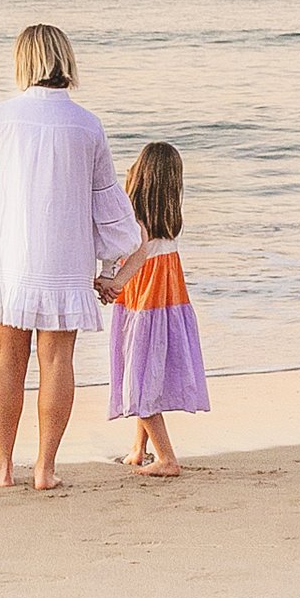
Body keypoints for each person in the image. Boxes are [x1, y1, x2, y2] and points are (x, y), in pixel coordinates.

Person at [0, 23, 139, 491]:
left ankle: (3, 468)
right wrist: (111, 269)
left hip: (7, 256)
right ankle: (45, 470)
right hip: (65, 259)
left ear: (24, 62)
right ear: (65, 61)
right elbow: (107, 205)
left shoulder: (0, 116)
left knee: (6, 360)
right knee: (57, 362)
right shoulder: (87, 124)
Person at [95, 141, 210, 477]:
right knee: (145, 375)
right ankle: (138, 449)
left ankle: (167, 459)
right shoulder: (169, 221)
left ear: (140, 176)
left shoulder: (136, 219)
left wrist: (110, 283)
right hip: (166, 307)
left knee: (139, 383)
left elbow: (135, 255)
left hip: (143, 306)